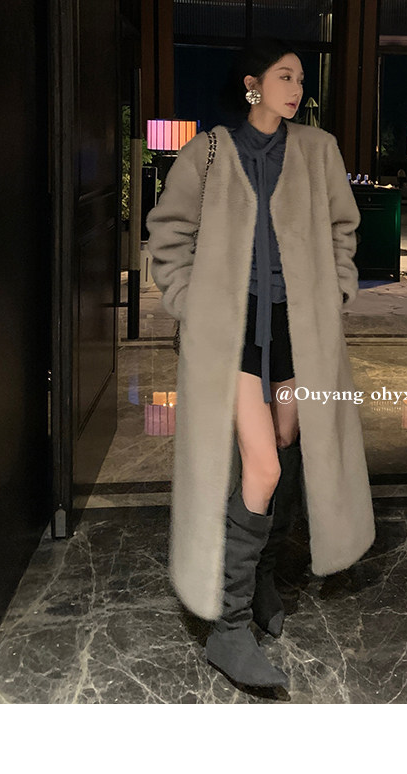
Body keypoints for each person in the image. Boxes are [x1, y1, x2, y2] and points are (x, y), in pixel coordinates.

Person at [146, 38, 375, 691]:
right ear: (253, 83)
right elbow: (168, 235)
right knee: (263, 464)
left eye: (300, 78)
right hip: (233, 329)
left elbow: (342, 227)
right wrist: (190, 303)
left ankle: (265, 577)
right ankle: (228, 627)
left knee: (288, 445)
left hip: (297, 325)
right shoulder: (207, 151)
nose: (296, 88)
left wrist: (336, 291)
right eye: (284, 76)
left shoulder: (317, 149)